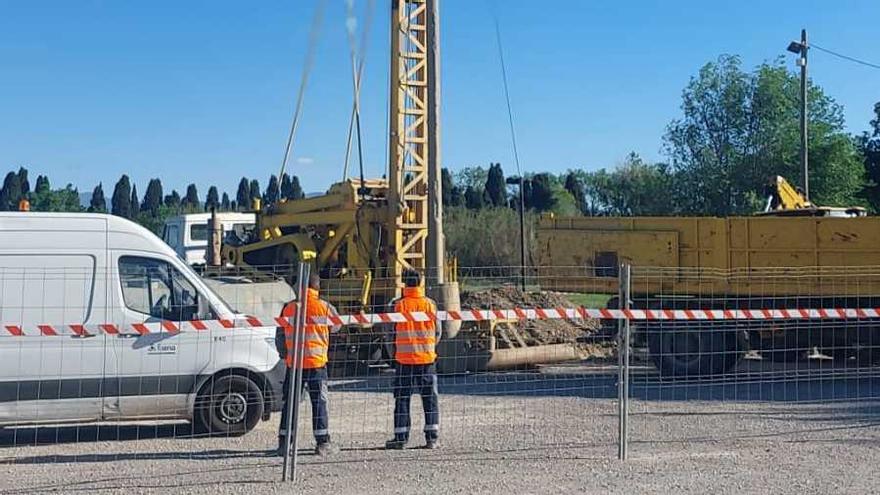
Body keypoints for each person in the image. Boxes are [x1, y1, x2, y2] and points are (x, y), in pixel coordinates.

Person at [276, 273, 341, 457]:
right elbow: (337, 326)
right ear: (317, 287)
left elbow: (279, 334)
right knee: (319, 403)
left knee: (290, 404)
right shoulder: (325, 307)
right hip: (317, 364)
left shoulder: (288, 308)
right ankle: (322, 443)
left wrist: (285, 355)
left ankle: (284, 444)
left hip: (294, 364)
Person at [385, 269, 441, 450]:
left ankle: (400, 438)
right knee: (430, 398)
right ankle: (431, 438)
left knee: (402, 398)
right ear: (420, 283)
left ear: (404, 283)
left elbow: (389, 332)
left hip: (404, 360)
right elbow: (438, 331)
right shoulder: (430, 304)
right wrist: (429, 346)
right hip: (426, 359)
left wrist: (395, 349)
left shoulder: (397, 305)